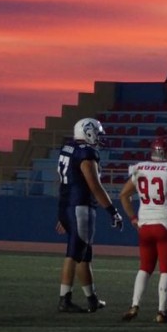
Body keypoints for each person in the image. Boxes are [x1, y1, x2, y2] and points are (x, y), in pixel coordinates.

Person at [119, 135, 167, 324]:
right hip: (165, 226)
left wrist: (133, 218)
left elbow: (123, 195)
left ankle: (134, 305)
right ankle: (162, 311)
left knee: (144, 267)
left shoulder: (141, 168)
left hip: (145, 226)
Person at [56, 117, 124, 313]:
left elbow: (63, 181)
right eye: (98, 133)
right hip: (80, 207)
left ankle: (92, 299)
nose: (100, 137)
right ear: (88, 132)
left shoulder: (68, 148)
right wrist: (112, 211)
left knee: (84, 255)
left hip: (68, 205)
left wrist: (64, 212)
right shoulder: (86, 153)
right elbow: (95, 185)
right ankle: (64, 299)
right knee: (74, 254)